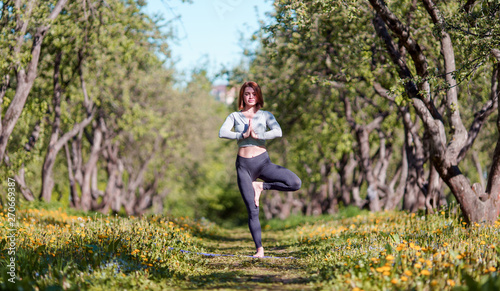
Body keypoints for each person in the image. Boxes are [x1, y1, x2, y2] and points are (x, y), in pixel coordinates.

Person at [219, 81, 301, 258]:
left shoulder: (265, 115)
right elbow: (222, 132)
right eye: (247, 93)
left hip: (263, 163)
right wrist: (241, 135)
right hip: (244, 166)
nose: (250, 97)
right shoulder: (235, 116)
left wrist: (259, 135)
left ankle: (261, 187)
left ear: (258, 96)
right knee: (253, 209)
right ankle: (259, 250)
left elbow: (278, 131)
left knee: (295, 183)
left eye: (253, 94)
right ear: (242, 95)